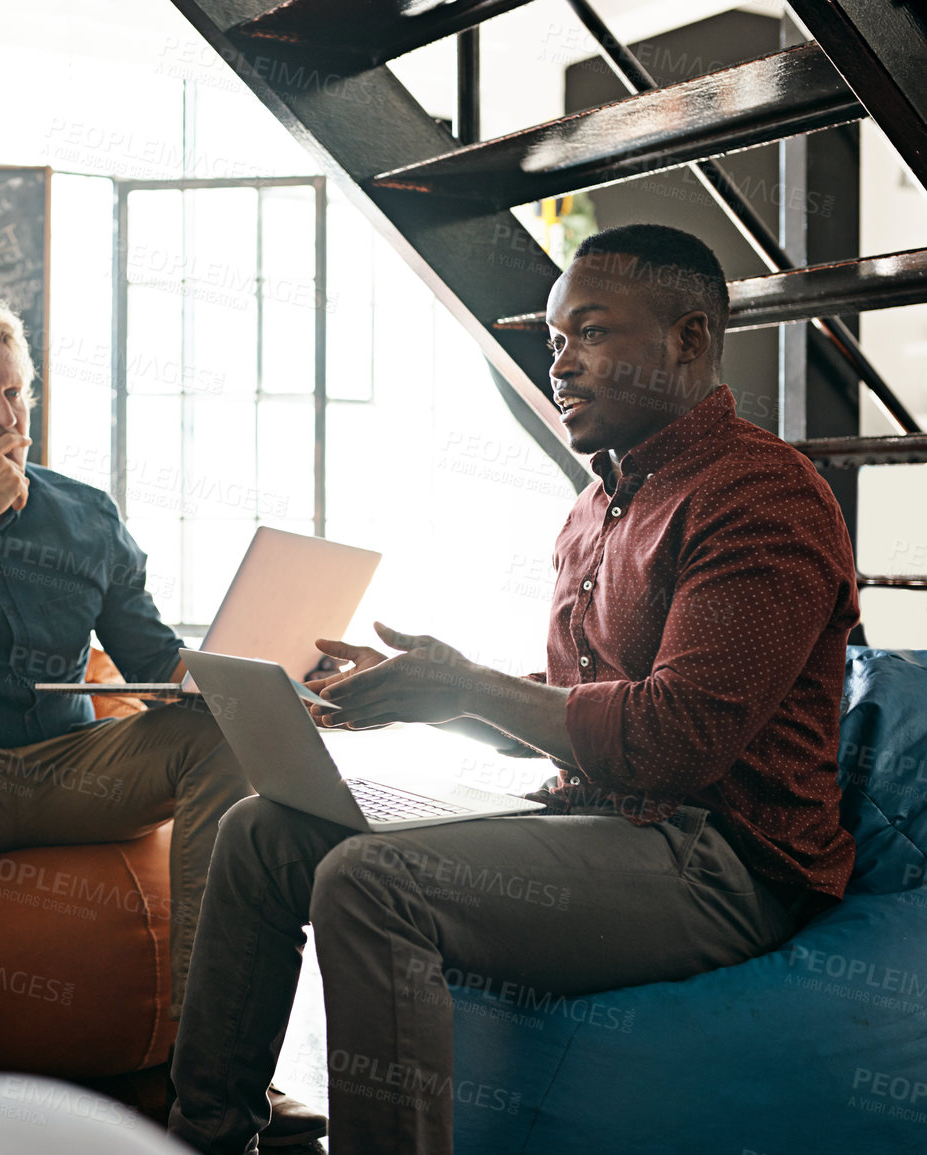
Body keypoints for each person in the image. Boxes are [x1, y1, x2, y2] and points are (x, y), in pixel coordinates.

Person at [168, 223, 859, 1155]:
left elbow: (672, 740)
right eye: (554, 343)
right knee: (260, 831)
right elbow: (586, 706)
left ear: (688, 339)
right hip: (601, 819)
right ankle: (207, 1137)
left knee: (371, 883)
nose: (561, 366)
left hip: (721, 859)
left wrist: (469, 687)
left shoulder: (760, 495)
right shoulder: (596, 505)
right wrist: (423, 689)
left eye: (591, 333)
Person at [0, 294, 318, 1137]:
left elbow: (152, 658)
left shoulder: (85, 514)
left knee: (217, 729)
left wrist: (257, 677)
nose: (3, 416)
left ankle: (215, 1071)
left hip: (72, 767)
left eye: (16, 393)